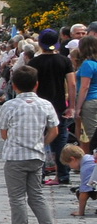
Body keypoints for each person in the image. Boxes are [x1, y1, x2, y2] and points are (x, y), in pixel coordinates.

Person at [0, 64, 61, 224]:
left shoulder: (10, 105)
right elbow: (54, 130)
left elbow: (4, 133)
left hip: (15, 157)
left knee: (17, 198)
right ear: (36, 84)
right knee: (36, 195)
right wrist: (42, 143)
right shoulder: (45, 104)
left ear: (14, 85)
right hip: (36, 156)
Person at [27, 29, 75, 185]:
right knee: (60, 140)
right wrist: (72, 106)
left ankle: (39, 174)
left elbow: (31, 85)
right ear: (57, 43)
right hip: (59, 106)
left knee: (38, 139)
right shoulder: (64, 61)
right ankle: (63, 175)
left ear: (40, 43)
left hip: (39, 106)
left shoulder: (34, 62)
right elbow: (72, 84)